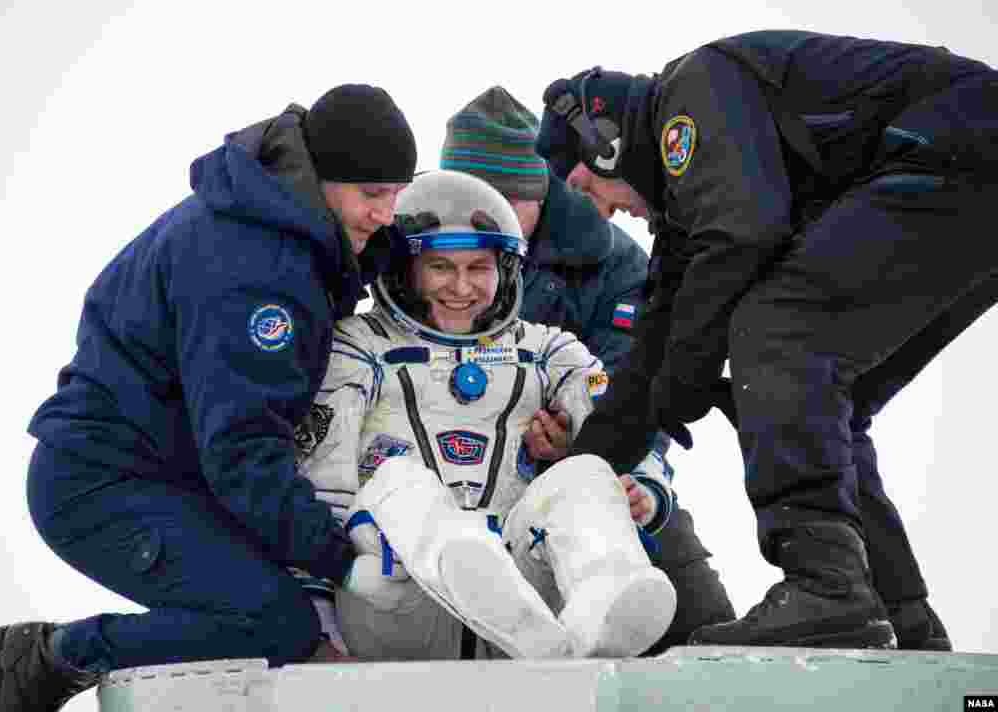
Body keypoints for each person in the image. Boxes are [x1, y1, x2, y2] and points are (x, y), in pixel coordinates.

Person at [535, 30, 998, 649]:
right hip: (964, 174)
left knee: (778, 326)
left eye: (588, 189)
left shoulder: (692, 95)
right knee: (825, 395)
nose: (605, 211)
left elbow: (745, 235)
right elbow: (655, 345)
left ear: (607, 147)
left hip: (955, 150)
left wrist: (690, 372)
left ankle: (826, 588)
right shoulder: (688, 209)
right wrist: (583, 470)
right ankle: (899, 612)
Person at [0, 84, 418, 711]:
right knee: (274, 623)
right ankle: (54, 655)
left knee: (282, 608)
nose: (386, 214)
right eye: (372, 194)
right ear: (322, 176)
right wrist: (342, 562)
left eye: (397, 194)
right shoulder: (258, 271)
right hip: (100, 484)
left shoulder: (278, 221)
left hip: (169, 476)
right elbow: (243, 447)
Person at [295, 169, 678, 661]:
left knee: (583, 473)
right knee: (397, 479)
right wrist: (318, 623)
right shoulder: (359, 346)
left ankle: (606, 605)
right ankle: (463, 556)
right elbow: (322, 487)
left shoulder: (546, 351)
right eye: (440, 267)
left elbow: (619, 419)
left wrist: (643, 488)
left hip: (527, 602)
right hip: (398, 601)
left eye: (479, 267)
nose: (462, 286)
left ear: (507, 270)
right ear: (404, 269)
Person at [439, 86, 735, 653]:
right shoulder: (412, 251)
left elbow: (634, 390)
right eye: (476, 200)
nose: (492, 219)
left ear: (540, 190)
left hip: (592, 461)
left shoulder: (617, 265)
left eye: (509, 200)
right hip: (454, 474)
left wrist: (596, 459)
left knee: (699, 621)